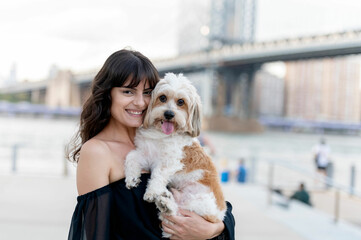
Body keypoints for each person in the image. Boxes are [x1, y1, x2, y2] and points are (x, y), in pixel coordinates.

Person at [67, 49, 235, 240]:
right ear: (107, 94)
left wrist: (213, 229)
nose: (140, 102)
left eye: (147, 93)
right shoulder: (97, 152)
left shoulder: (170, 142)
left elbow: (218, 202)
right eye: (128, 91)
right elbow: (95, 234)